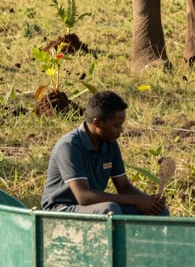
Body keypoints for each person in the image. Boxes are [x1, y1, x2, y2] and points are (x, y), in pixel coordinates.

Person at [42, 90, 170, 215]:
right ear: (98, 123)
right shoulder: (69, 147)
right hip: (61, 210)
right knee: (109, 209)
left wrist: (150, 202)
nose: (121, 130)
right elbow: (83, 196)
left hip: (90, 208)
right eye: (116, 125)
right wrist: (136, 200)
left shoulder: (110, 144)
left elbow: (124, 187)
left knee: (160, 212)